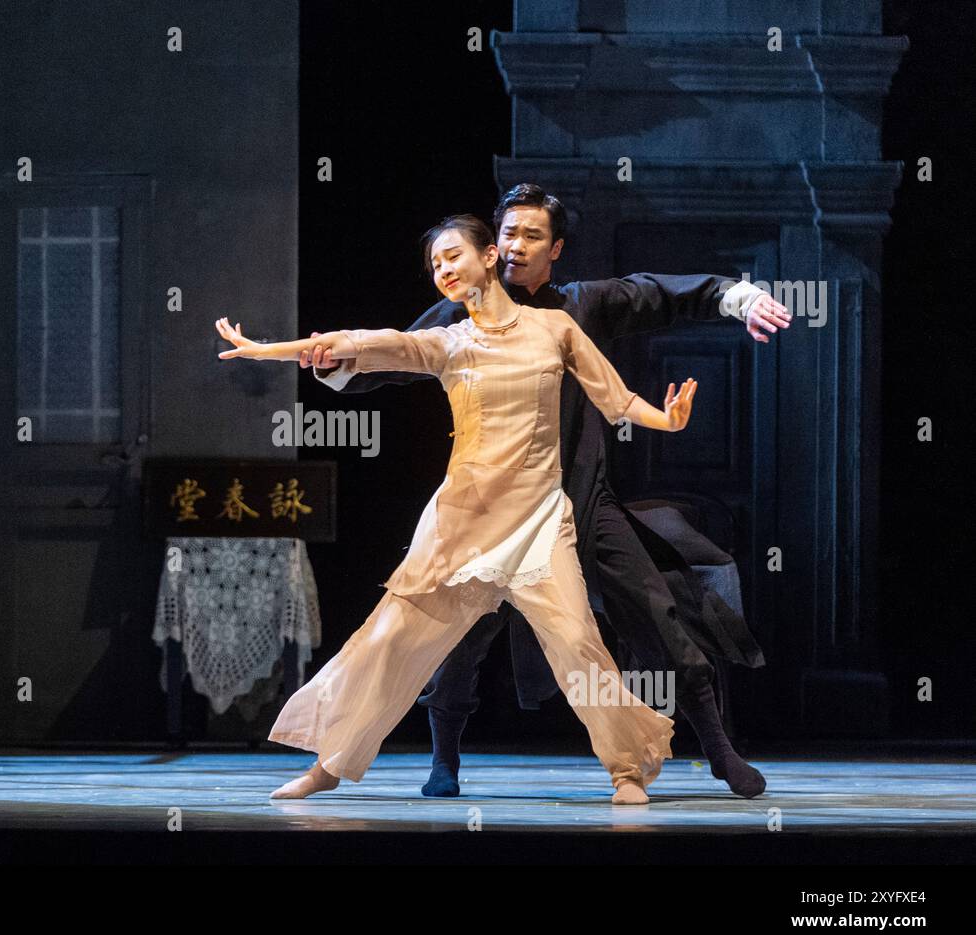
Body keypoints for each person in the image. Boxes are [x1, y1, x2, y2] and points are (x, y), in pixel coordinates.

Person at [301, 185, 788, 799]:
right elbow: (393, 353)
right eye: (507, 234)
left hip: (583, 502)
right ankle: (443, 761)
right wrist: (332, 360)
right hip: (494, 513)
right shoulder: (461, 313)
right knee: (454, 636)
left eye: (532, 236)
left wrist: (736, 297)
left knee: (659, 612)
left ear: (555, 248)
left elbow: (658, 295)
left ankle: (717, 750)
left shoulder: (577, 308)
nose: (515, 246)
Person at [215, 214, 701, 805]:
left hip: (539, 521)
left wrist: (666, 419)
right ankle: (331, 763)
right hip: (460, 522)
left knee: (577, 643)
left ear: (490, 256)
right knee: (391, 638)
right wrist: (268, 350)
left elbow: (615, 398)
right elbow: (365, 343)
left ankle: (627, 768)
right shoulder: (449, 342)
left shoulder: (555, 329)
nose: (443, 270)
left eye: (452, 256)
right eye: (435, 265)